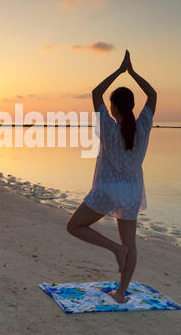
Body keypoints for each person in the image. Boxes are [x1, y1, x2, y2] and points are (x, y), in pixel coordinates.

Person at [67, 50, 157, 303]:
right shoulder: (143, 126)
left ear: (112, 107)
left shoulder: (107, 126)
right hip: (132, 193)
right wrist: (133, 72)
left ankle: (115, 249)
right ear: (133, 107)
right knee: (132, 244)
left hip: (107, 190)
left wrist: (120, 71)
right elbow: (153, 95)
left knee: (74, 226)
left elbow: (96, 93)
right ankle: (120, 293)